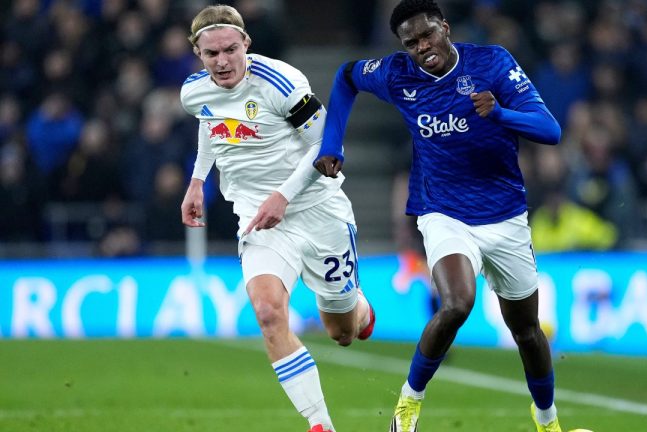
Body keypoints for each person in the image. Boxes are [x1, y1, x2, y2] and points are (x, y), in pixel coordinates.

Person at [314, 1, 563, 431]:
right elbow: (346, 77)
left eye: (428, 35)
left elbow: (551, 131)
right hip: (442, 211)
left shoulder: (492, 63)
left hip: (504, 215)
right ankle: (407, 408)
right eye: (411, 42)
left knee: (526, 331)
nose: (422, 47)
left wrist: (501, 113)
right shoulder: (396, 73)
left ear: (444, 28)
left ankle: (547, 420)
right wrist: (331, 144)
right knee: (457, 303)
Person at [178, 6, 375, 432]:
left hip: (316, 209)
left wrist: (283, 196)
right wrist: (197, 180)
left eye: (231, 49)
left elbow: (326, 140)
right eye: (211, 54)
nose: (223, 61)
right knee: (268, 313)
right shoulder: (193, 91)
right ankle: (320, 423)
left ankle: (358, 307)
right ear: (197, 52)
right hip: (256, 215)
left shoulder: (280, 83)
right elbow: (209, 123)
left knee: (342, 331)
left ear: (246, 43)